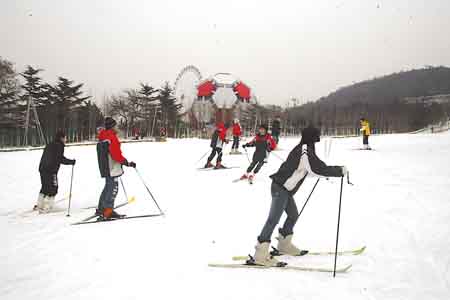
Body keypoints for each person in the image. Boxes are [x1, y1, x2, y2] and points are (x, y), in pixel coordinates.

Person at [250, 124, 347, 266]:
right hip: (280, 187)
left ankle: (284, 245)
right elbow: (317, 168)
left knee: (293, 215)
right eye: (316, 138)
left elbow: (310, 169)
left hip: (286, 190)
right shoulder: (304, 151)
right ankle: (260, 254)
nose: (317, 140)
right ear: (312, 138)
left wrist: (327, 172)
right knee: (273, 219)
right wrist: (338, 171)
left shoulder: (306, 150)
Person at [96, 117, 136, 220]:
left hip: (106, 167)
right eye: (115, 125)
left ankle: (101, 209)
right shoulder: (111, 137)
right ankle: (108, 212)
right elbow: (116, 154)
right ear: (112, 126)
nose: (117, 127)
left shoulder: (103, 136)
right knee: (113, 188)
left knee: (108, 187)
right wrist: (126, 163)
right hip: (112, 167)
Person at [35, 131, 75, 213]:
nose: (66, 139)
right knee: (54, 188)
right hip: (51, 170)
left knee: (45, 186)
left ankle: (40, 204)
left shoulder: (50, 144)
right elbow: (60, 158)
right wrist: (71, 162)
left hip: (42, 168)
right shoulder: (59, 145)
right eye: (65, 137)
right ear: (61, 138)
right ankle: (47, 206)